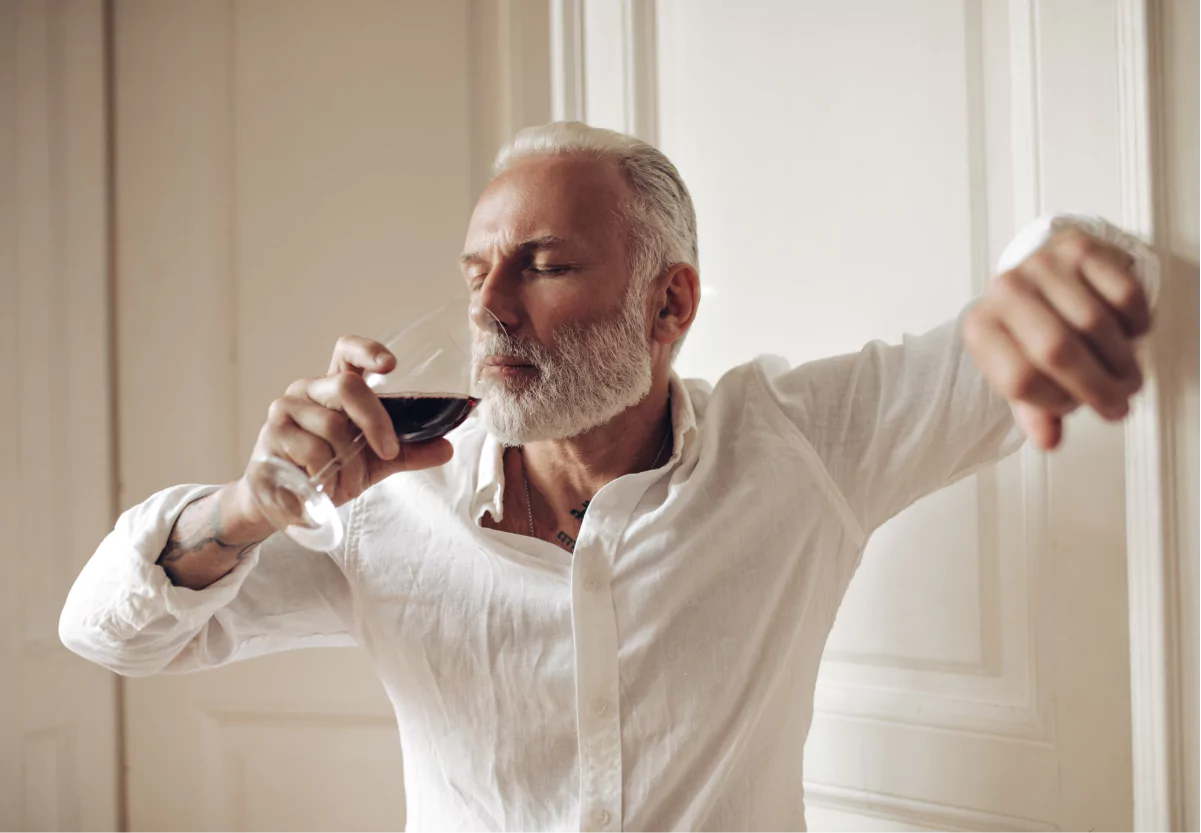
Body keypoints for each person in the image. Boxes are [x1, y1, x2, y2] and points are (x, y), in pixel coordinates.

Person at [60, 122, 1157, 832]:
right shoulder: (381, 506)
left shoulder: (804, 443)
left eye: (542, 265)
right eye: (476, 270)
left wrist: (1050, 273)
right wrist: (245, 508)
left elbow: (1084, 281)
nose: (489, 308)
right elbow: (107, 631)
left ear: (668, 304)